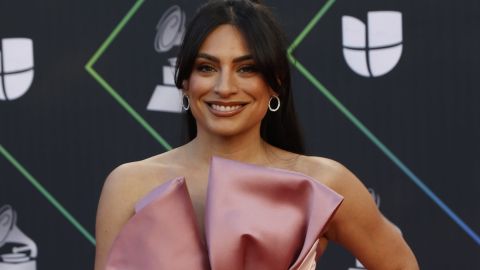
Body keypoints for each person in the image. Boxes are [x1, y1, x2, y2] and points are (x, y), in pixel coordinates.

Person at [94, 0, 419, 269]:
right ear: (184, 82)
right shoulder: (129, 185)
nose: (224, 87)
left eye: (246, 68)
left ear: (275, 82)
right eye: (207, 68)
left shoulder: (323, 182)